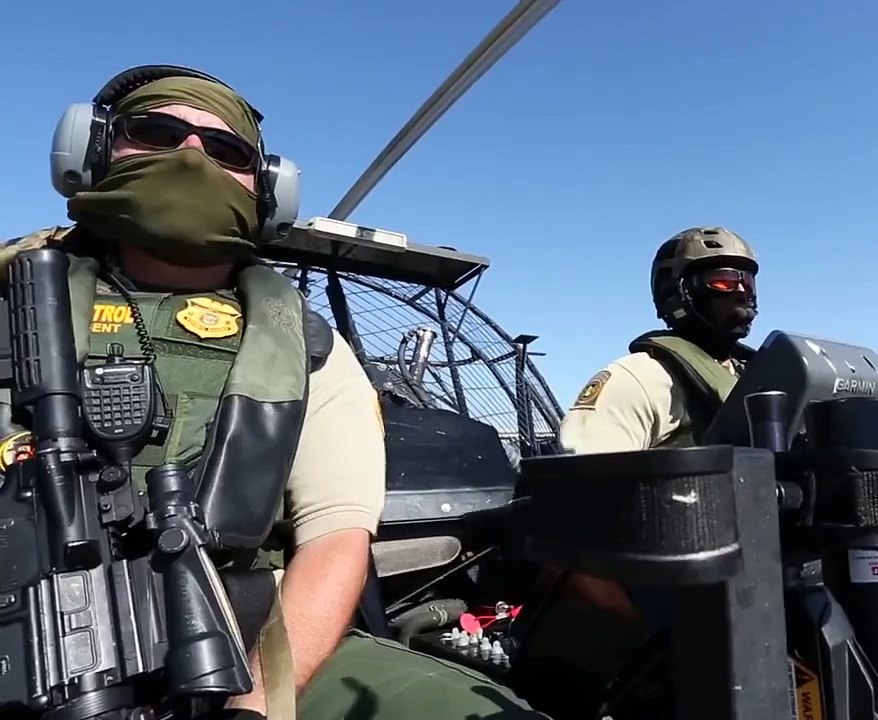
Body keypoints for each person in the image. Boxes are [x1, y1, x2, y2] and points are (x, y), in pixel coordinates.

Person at [1, 65, 545, 720]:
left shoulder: (308, 348)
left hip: (244, 639)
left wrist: (257, 705)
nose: (191, 155)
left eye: (225, 149)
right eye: (156, 132)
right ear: (91, 151)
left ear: (266, 188)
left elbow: (335, 537)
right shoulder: (15, 306)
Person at [558, 226, 878, 719]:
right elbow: (578, 503)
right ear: (678, 292)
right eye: (724, 281)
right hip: (714, 594)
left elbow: (828, 465)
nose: (743, 293)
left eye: (749, 284)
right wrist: (648, 628)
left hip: (805, 569)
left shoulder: (769, 373)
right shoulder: (641, 376)